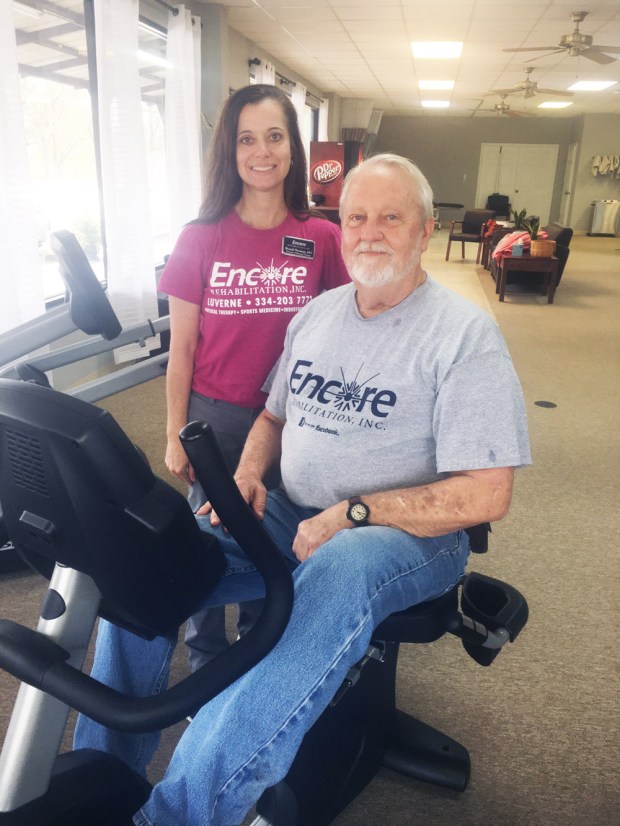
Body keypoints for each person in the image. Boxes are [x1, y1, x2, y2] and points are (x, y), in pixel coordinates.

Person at [74, 153, 531, 826]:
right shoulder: (318, 314)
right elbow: (273, 416)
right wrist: (249, 475)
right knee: (156, 554)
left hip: (408, 537)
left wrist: (356, 513)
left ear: (426, 229)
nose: (370, 232)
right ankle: (102, 774)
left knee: (341, 568)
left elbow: (488, 494)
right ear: (339, 228)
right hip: (294, 510)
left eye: (390, 217)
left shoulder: (464, 337)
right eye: (355, 217)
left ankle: (178, 816)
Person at [159, 84, 350, 669]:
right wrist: (174, 432)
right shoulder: (201, 236)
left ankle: (255, 656)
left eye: (275, 136)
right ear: (230, 150)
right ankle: (205, 663)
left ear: (294, 147)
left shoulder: (320, 237)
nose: (261, 151)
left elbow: (344, 332)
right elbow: (182, 349)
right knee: (206, 546)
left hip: (291, 422)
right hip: (212, 417)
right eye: (247, 139)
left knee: (267, 544)